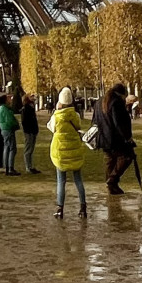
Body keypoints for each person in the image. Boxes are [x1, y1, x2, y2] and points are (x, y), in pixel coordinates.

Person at [49, 86, 86, 218]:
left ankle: (60, 208)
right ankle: (83, 207)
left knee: (61, 181)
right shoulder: (75, 115)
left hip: (61, 152)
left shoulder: (56, 117)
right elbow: (78, 127)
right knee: (78, 180)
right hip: (74, 149)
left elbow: (52, 128)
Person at [96, 82, 135, 195]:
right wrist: (127, 138)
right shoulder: (116, 102)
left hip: (103, 137)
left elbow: (95, 120)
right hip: (115, 138)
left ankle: (112, 186)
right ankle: (112, 181)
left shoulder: (100, 102)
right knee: (127, 157)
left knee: (110, 161)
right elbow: (118, 123)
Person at [0, 93, 20, 175]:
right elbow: (10, 120)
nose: (10, 100)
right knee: (12, 148)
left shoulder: (2, 108)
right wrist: (16, 125)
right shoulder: (5, 109)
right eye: (8, 99)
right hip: (8, 129)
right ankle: (10, 167)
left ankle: (6, 167)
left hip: (4, 129)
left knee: (6, 147)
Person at [20, 94, 40, 173]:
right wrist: (29, 130)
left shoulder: (30, 108)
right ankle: (28, 167)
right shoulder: (26, 109)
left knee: (31, 149)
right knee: (28, 149)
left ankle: (30, 166)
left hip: (32, 131)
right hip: (29, 131)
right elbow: (24, 122)